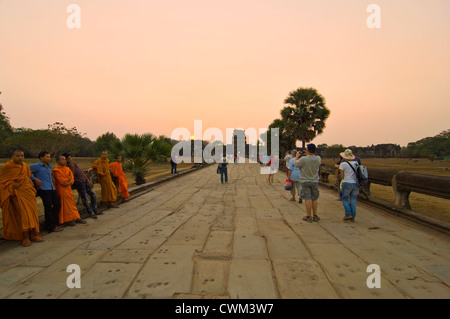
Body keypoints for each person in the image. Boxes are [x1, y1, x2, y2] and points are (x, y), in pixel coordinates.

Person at [0, 150, 44, 246]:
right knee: (24, 215)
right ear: (12, 156)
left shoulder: (24, 166)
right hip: (17, 193)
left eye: (22, 156)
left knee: (32, 214)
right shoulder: (8, 167)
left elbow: (27, 177)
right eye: (18, 156)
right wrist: (12, 184)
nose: (20, 157)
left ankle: (33, 234)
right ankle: (25, 237)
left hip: (28, 192)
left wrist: (31, 184)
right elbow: (2, 181)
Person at [30, 151, 63, 233]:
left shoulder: (49, 166)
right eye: (47, 157)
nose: (49, 158)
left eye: (49, 157)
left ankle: (50, 223)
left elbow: (49, 174)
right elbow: (25, 173)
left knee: (57, 204)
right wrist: (34, 179)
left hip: (51, 187)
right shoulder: (36, 166)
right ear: (41, 157)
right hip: (43, 189)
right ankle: (50, 227)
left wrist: (52, 177)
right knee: (48, 207)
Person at [52, 155, 87, 226]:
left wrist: (69, 181)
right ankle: (68, 220)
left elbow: (72, 179)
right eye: (63, 159)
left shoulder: (68, 169)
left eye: (65, 159)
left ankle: (76, 217)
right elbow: (61, 181)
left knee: (72, 205)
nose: (65, 161)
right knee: (64, 206)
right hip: (62, 191)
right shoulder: (56, 171)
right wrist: (68, 179)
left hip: (68, 190)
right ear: (58, 161)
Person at [63, 152, 99, 219]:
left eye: (70, 158)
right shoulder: (66, 167)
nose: (70, 159)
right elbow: (72, 176)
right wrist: (72, 167)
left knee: (93, 194)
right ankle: (90, 212)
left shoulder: (74, 164)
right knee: (84, 198)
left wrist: (87, 179)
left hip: (84, 181)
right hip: (79, 183)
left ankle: (95, 209)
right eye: (68, 159)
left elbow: (81, 172)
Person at [294, 144, 321, 223]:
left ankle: (309, 216)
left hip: (305, 181)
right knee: (314, 198)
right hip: (315, 181)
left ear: (308, 150)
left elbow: (295, 164)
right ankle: (315, 215)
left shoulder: (303, 159)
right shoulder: (318, 158)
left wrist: (296, 157)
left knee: (307, 199)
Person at [339, 149, 360, 222]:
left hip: (347, 182)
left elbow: (342, 176)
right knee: (353, 200)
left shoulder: (343, 164)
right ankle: (353, 216)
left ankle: (348, 213)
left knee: (344, 198)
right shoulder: (356, 163)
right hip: (355, 183)